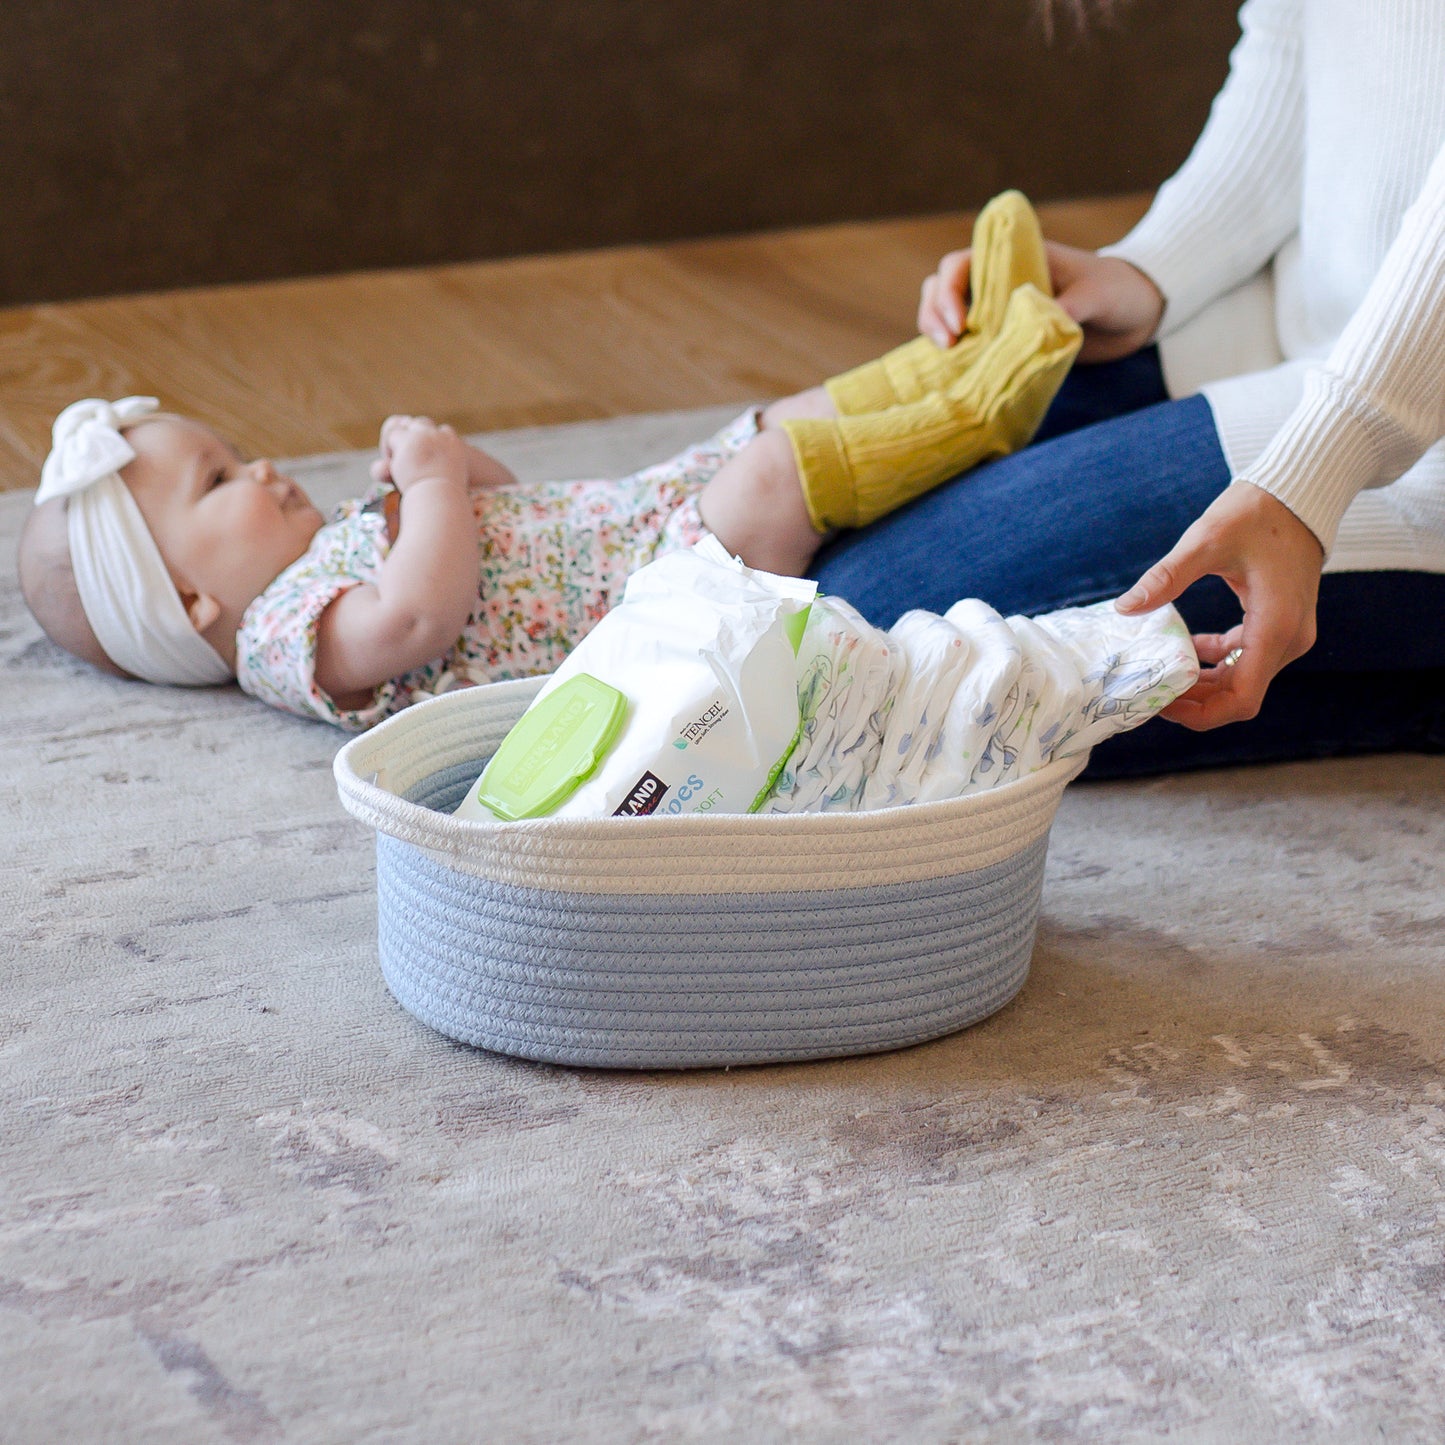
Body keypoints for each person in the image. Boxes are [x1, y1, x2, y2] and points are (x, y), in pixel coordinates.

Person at [17, 195, 1082, 731]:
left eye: (236, 456)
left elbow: (503, 508)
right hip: (648, 603)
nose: (259, 472)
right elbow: (419, 622)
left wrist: (446, 473)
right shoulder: (287, 636)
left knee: (775, 422)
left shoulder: (336, 545)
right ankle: (983, 405)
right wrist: (429, 487)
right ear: (192, 601)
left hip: (630, 517)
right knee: (772, 476)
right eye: (217, 482)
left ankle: (962, 344)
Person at [812, 0, 1445, 775]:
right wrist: (1147, 272)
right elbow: (1297, 46)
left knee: (856, 653)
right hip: (1311, 337)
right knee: (808, 536)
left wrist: (1319, 467)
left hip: (1411, 428)